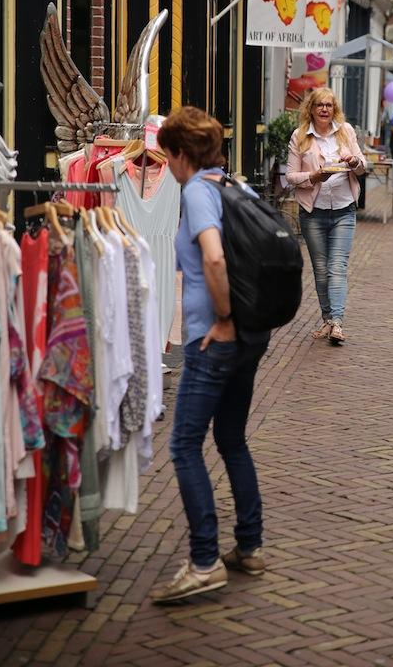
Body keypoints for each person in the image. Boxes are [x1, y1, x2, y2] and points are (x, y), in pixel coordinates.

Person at [150, 107, 269, 604]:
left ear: (181, 154)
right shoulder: (236, 185)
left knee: (183, 446)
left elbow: (215, 255)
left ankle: (203, 562)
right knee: (232, 439)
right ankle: (249, 546)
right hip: (252, 335)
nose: (167, 164)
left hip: (215, 339)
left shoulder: (198, 190)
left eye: (168, 154)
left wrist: (221, 318)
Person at [286, 87, 366, 345]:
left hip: (344, 209)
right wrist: (314, 176)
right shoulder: (300, 136)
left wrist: (353, 161)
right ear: (311, 108)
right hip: (314, 213)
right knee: (321, 270)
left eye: (329, 105)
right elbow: (290, 177)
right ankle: (328, 320)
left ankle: (338, 322)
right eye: (319, 105)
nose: (324, 109)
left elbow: (363, 167)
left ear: (334, 109)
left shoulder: (347, 131)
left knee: (337, 267)